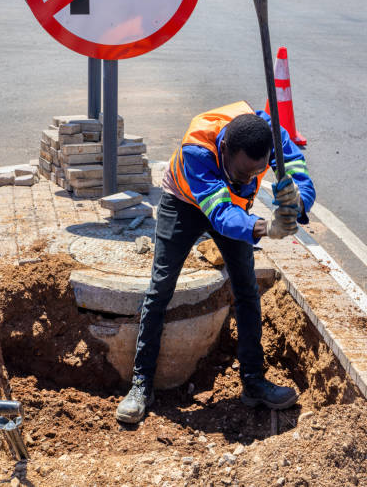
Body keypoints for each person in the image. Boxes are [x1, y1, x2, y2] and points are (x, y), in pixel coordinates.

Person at [116, 101, 315, 424]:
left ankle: (253, 383)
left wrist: (298, 200)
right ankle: (141, 384)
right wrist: (263, 227)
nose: (246, 181)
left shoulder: (268, 134)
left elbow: (296, 167)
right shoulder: (198, 148)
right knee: (161, 287)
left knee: (247, 290)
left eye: (256, 173)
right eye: (240, 173)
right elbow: (220, 213)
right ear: (224, 149)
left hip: (232, 209)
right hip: (184, 202)